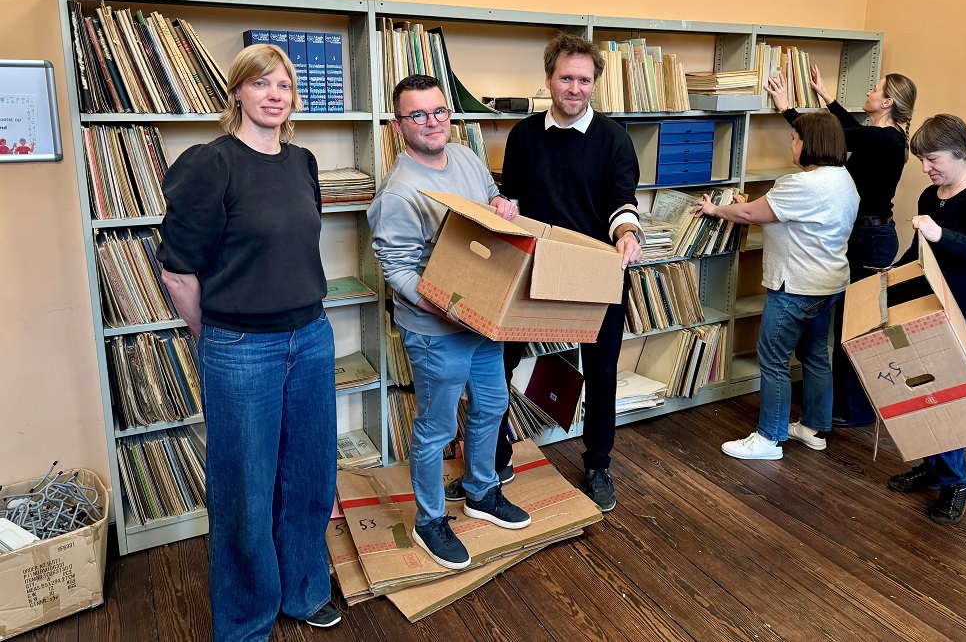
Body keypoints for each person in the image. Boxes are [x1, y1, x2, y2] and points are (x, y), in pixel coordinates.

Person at [157, 44, 341, 640]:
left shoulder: (303, 162)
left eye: (285, 85)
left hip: (311, 338)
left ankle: (303, 591)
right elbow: (178, 272)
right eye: (262, 83)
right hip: (241, 350)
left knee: (310, 476)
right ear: (237, 91)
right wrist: (213, 337)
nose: (275, 95)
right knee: (244, 492)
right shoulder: (209, 164)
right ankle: (244, 622)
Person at [369, 73, 531, 571]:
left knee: (491, 405)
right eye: (417, 115)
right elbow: (394, 267)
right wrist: (444, 304)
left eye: (439, 111)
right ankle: (429, 520)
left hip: (482, 319)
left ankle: (481, 492)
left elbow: (490, 208)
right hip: (437, 327)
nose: (432, 122)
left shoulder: (464, 156)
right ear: (399, 126)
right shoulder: (400, 192)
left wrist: (505, 206)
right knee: (437, 426)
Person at [497, 32, 643, 513]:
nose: (575, 88)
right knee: (499, 365)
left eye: (584, 80)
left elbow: (622, 202)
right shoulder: (522, 137)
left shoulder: (614, 140)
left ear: (594, 83)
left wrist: (627, 234)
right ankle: (496, 459)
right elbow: (514, 198)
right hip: (533, 268)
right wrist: (504, 207)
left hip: (595, 272)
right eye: (566, 78)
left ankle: (597, 464)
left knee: (601, 373)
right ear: (548, 80)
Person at [697, 113, 858, 460]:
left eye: (794, 138)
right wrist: (748, 208)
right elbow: (786, 219)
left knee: (772, 357)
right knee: (816, 354)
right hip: (829, 284)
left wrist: (715, 208)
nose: (791, 144)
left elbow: (755, 216)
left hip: (796, 286)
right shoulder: (844, 179)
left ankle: (769, 439)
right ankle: (814, 429)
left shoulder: (801, 184)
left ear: (809, 143)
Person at [768, 66, 918, 428]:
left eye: (875, 88)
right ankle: (838, 406)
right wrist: (827, 97)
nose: (869, 90)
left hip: (870, 241)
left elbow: (836, 138)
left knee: (857, 330)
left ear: (887, 102)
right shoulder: (885, 136)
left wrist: (788, 108)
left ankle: (855, 411)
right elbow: (853, 130)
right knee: (847, 327)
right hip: (866, 237)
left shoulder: (884, 140)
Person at [887, 114, 966, 526]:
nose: (925, 168)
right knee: (924, 391)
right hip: (934, 305)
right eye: (921, 159)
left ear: (959, 151)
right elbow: (922, 251)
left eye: (932, 158)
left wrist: (940, 234)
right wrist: (890, 273)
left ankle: (956, 481)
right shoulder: (929, 195)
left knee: (946, 397)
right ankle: (935, 467)